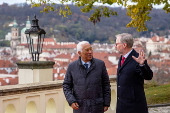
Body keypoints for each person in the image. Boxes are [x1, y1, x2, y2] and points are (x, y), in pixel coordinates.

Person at [63, 41, 111, 113]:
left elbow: (106, 85)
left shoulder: (100, 64)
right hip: (80, 107)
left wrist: (106, 103)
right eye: (87, 50)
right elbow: (66, 85)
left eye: (91, 49)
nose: (90, 52)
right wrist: (71, 101)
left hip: (97, 107)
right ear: (79, 53)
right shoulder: (72, 67)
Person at [115, 33, 153, 113]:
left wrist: (142, 64)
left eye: (117, 44)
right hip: (122, 105)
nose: (115, 46)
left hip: (134, 106)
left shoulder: (137, 58)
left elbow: (148, 76)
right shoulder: (122, 58)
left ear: (124, 45)